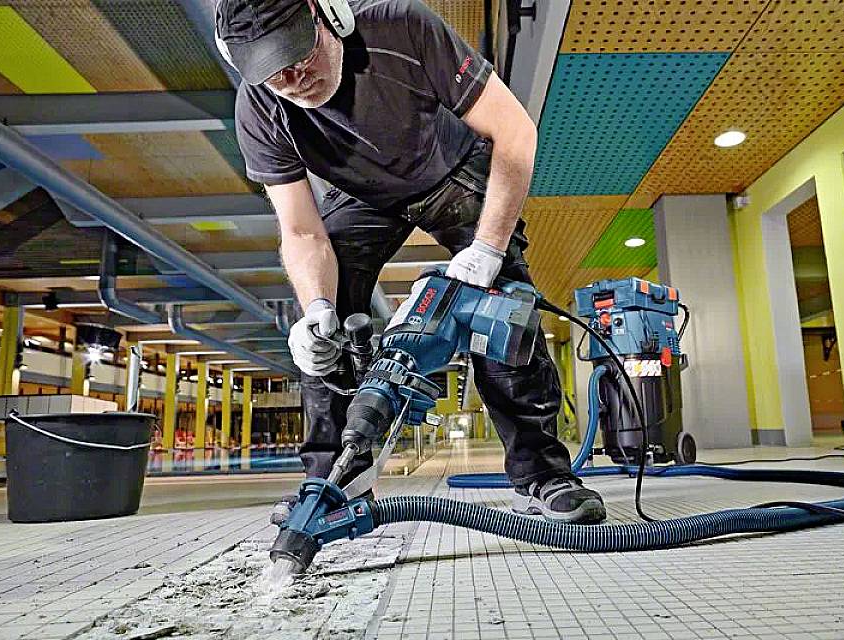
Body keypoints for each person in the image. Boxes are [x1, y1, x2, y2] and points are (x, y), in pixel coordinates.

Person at [215, 0, 605, 523]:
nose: (293, 77)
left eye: (298, 53)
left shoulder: (403, 29)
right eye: (271, 70)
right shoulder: (260, 110)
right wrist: (317, 308)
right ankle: (332, 483)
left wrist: (488, 248)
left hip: (453, 169)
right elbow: (303, 230)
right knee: (322, 324)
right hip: (363, 195)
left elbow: (515, 132)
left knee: (503, 305)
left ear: (328, 15)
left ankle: (543, 473)